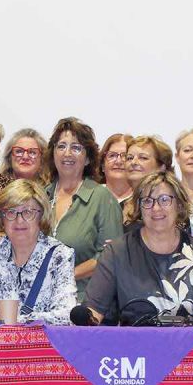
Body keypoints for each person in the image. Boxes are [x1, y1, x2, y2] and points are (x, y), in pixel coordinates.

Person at [84, 172, 193, 325]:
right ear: (139, 208)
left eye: (164, 200)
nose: (156, 208)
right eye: (147, 201)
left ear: (180, 205)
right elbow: (93, 312)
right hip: (129, 346)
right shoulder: (117, 252)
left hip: (187, 345)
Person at [0, 179, 77, 325]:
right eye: (11, 212)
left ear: (41, 215)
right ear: (2, 218)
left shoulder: (59, 255)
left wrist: (12, 322)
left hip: (40, 346)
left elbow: (66, 316)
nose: (19, 220)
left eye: (27, 212)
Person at [46, 117, 123, 300]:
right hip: (39, 301)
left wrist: (65, 276)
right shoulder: (40, 197)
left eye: (76, 148)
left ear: (88, 158)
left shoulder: (102, 198)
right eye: (61, 146)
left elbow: (110, 256)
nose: (67, 153)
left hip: (84, 302)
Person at [98, 133, 134, 205]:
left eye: (125, 156)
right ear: (102, 166)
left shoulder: (144, 200)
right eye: (112, 155)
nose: (118, 161)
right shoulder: (90, 197)